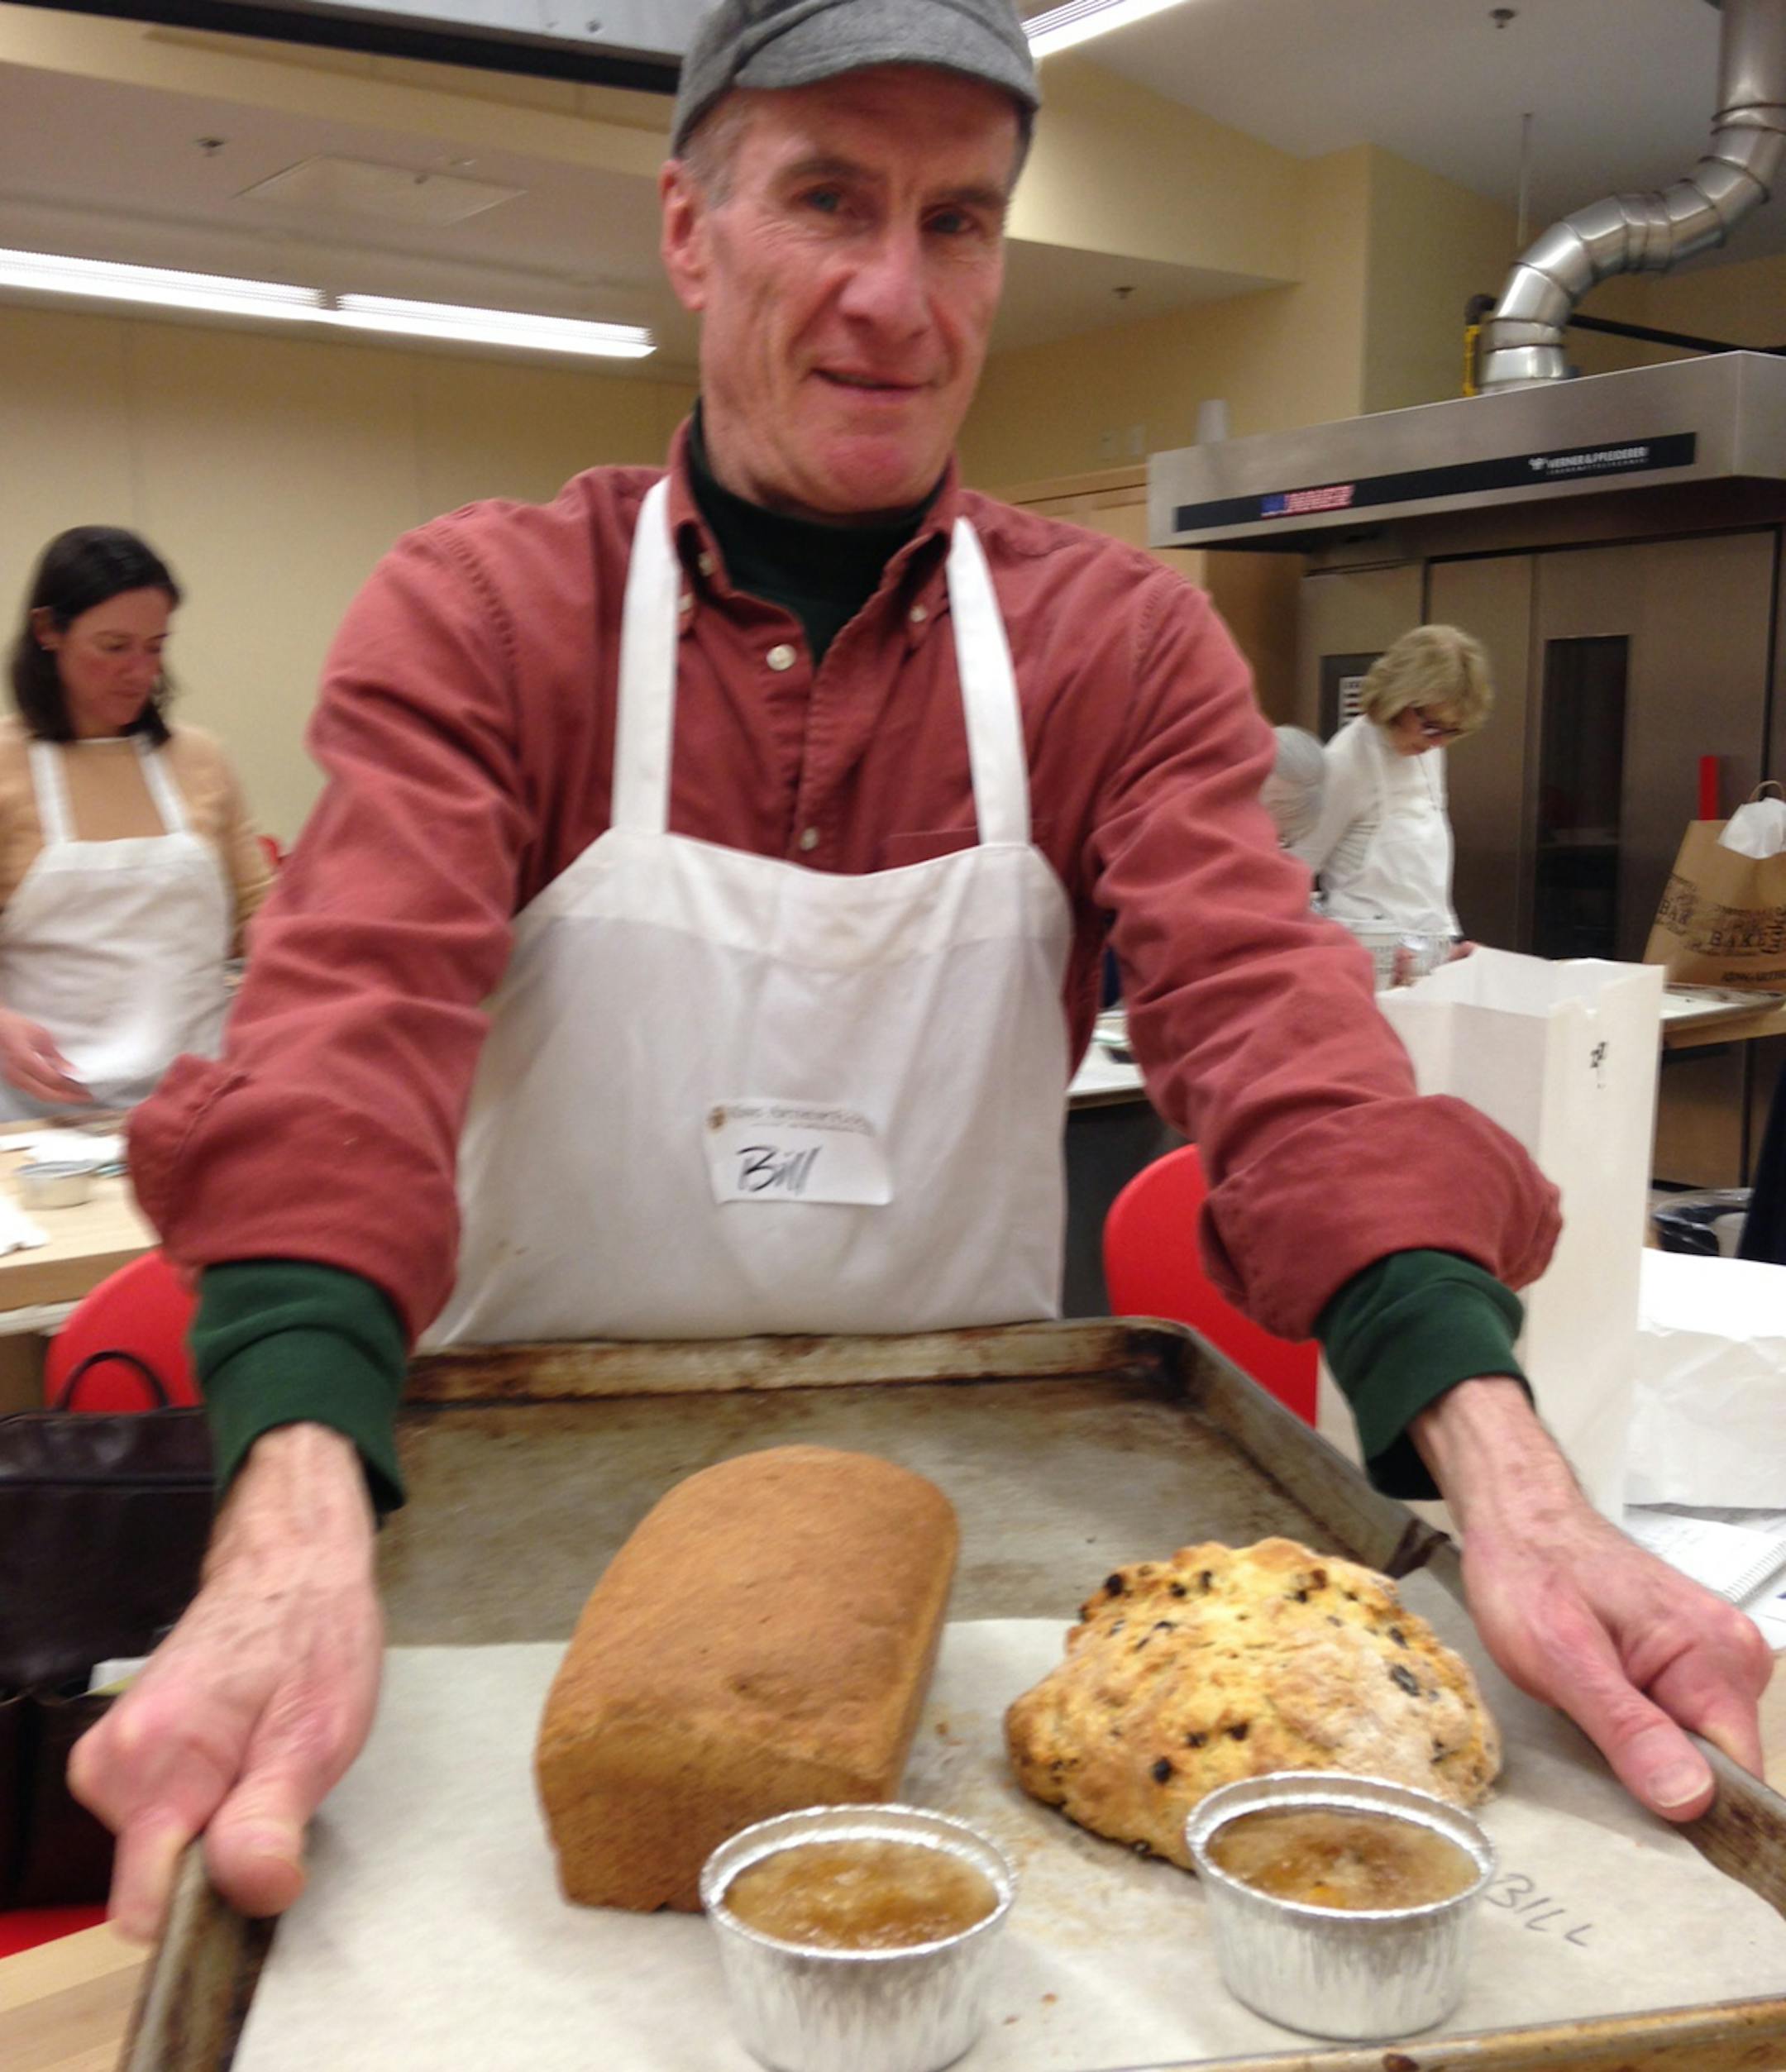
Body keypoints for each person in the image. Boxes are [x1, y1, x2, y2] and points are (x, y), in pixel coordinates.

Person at [71, 0, 1769, 1943]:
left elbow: (1273, 1032)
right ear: (690, 230)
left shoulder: (1107, 649)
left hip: (964, 1506)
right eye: (824, 200)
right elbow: (345, 1041)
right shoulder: (494, 614)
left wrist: (1511, 1487)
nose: (894, 292)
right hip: (497, 1506)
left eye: (956, 221)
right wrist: (286, 1507)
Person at [0, 528, 271, 1117]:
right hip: (37, 1115)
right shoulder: (5, 765)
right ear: (49, 632)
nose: (140, 671)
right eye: (114, 646)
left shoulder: (200, 760)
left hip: (197, 1097)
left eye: (155, 647)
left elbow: (258, 911)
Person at [1292, 624, 1490, 976]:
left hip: (1424, 973)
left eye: (1453, 731)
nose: (1439, 742)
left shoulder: (1428, 753)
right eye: (1432, 726)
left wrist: (1448, 951)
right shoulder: (1346, 762)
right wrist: (1358, 949)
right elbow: (1289, 879)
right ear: (1398, 697)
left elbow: (1416, 884)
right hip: (1360, 973)